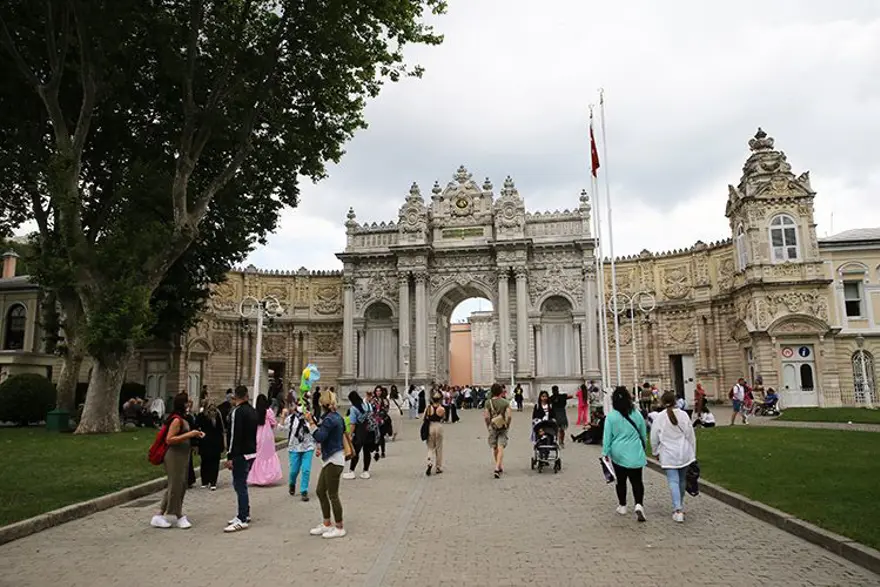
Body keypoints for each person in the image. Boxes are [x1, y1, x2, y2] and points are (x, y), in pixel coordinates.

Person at [151, 393, 205, 529]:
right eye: (187, 402)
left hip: (182, 455)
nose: (189, 404)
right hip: (174, 455)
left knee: (179, 484)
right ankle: (177, 514)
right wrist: (190, 434)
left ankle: (160, 514)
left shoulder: (183, 418)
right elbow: (170, 439)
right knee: (176, 485)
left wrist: (195, 436)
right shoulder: (176, 420)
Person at [602, 386, 648, 522]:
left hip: (618, 452)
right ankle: (639, 504)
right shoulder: (636, 414)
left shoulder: (611, 417)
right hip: (635, 450)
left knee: (621, 481)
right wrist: (643, 447)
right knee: (637, 481)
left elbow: (607, 437)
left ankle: (622, 505)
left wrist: (605, 452)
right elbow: (643, 432)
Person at [650, 391, 697, 523]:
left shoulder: (659, 418)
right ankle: (679, 505)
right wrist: (693, 452)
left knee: (673, 481)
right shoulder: (683, 415)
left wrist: (655, 452)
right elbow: (690, 435)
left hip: (668, 453)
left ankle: (678, 508)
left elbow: (654, 438)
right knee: (681, 480)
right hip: (683, 452)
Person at [306, 390, 347, 538]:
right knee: (320, 491)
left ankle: (339, 526)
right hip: (333, 458)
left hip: (333, 459)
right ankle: (326, 523)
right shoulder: (336, 417)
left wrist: (311, 423)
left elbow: (320, 436)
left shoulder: (330, 419)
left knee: (332, 494)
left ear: (322, 404)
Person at [224, 385, 258, 533]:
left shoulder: (237, 412)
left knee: (239, 485)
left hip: (240, 453)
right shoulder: (252, 411)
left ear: (235, 397)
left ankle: (242, 517)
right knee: (242, 484)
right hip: (251, 452)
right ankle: (245, 511)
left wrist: (230, 455)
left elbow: (234, 436)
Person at [282, 402, 315, 501]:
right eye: (300, 404)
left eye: (304, 405)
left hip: (308, 447)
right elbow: (281, 428)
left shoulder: (310, 418)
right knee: (294, 471)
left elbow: (315, 431)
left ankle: (304, 491)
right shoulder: (291, 419)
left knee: (306, 470)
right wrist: (283, 416)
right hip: (294, 447)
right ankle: (292, 483)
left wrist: (319, 446)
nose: (302, 407)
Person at [247, 394, 283, 486]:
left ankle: (257, 477)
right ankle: (268, 476)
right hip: (267, 437)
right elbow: (273, 423)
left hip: (257, 435)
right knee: (269, 456)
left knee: (258, 456)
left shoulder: (254, 412)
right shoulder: (269, 412)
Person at [195, 399, 225, 490]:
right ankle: (205, 480)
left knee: (215, 463)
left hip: (215, 443)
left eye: (213, 406)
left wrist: (222, 444)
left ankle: (213, 482)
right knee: (205, 462)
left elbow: (221, 430)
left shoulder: (218, 416)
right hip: (205, 442)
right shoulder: (201, 416)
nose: (212, 409)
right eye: (210, 406)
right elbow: (197, 428)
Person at [344, 391, 375, 480]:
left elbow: (352, 424)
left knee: (355, 452)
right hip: (369, 431)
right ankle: (365, 471)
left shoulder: (353, 409)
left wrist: (350, 435)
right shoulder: (367, 405)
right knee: (367, 451)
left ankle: (352, 471)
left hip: (360, 432)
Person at [484, 383, 512, 479]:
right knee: (501, 447)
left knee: (495, 448)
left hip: (493, 427)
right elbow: (509, 416)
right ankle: (497, 467)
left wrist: (488, 426)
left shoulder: (488, 403)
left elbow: (487, 417)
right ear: (501, 391)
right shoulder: (505, 402)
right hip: (502, 427)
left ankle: (498, 465)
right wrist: (507, 424)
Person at [424, 391, 446, 476]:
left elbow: (424, 418)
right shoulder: (442, 408)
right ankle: (438, 467)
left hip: (431, 426)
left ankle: (429, 461)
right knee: (439, 448)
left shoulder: (429, 408)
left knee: (430, 447)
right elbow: (444, 417)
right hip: (439, 426)